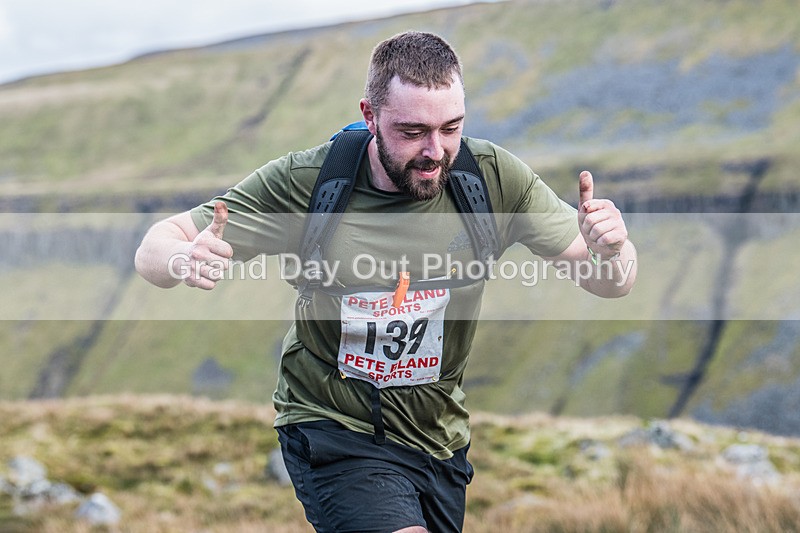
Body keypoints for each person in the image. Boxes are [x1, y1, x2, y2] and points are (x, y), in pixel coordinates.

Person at [135, 31, 636, 533]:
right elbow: (154, 247)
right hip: (334, 427)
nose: (435, 151)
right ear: (370, 116)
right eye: (412, 131)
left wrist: (614, 250)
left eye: (451, 128)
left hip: (438, 439)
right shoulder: (308, 183)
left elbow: (609, 282)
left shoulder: (491, 180)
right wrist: (183, 257)